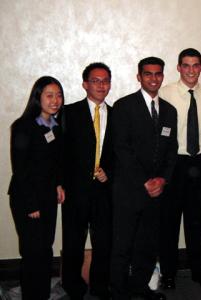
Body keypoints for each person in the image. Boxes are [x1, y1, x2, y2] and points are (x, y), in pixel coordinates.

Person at [110, 57, 177, 300]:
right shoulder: (124, 106)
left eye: (158, 74)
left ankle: (140, 288)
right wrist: (145, 181)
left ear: (162, 76)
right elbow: (122, 148)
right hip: (129, 190)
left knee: (148, 245)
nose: (153, 78)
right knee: (122, 246)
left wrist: (163, 180)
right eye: (148, 74)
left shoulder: (170, 110)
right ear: (139, 76)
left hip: (156, 192)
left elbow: (171, 150)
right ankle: (118, 293)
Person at [158, 48, 201, 290]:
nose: (191, 70)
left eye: (196, 65)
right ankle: (169, 273)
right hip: (174, 164)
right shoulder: (165, 93)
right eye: (186, 65)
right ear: (178, 68)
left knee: (197, 223)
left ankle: (199, 272)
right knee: (169, 223)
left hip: (199, 164)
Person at [8, 76, 65, 300]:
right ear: (37, 97)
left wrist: (59, 183)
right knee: (32, 252)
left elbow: (54, 162)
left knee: (45, 249)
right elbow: (20, 169)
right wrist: (32, 204)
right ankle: (32, 295)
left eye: (58, 95)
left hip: (48, 196)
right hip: (27, 199)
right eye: (49, 95)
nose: (55, 100)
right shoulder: (23, 126)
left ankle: (41, 293)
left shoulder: (55, 126)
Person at [62, 62, 113, 300]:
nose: (101, 85)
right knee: (74, 242)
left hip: (104, 191)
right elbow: (59, 152)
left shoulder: (117, 115)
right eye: (95, 80)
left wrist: (109, 172)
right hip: (75, 191)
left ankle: (100, 286)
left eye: (105, 80)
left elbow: (120, 153)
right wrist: (59, 183)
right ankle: (73, 286)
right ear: (85, 84)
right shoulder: (68, 113)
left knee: (104, 242)